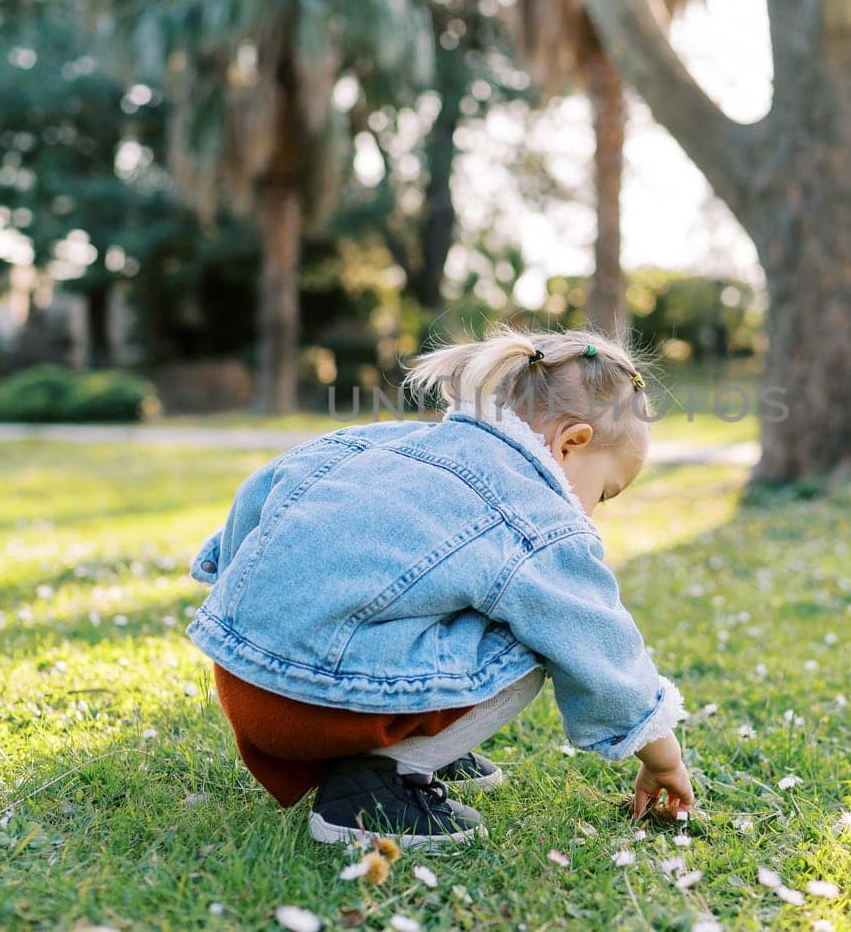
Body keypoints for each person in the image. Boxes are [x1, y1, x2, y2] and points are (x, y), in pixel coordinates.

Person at [186, 327, 694, 846]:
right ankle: (373, 787)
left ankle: (425, 746)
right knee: (540, 628)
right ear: (571, 443)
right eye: (604, 492)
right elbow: (594, 639)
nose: (592, 510)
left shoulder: (387, 438)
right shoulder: (535, 513)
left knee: (485, 597)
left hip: (243, 679)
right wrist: (662, 755)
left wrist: (231, 589)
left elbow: (261, 491)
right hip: (313, 707)